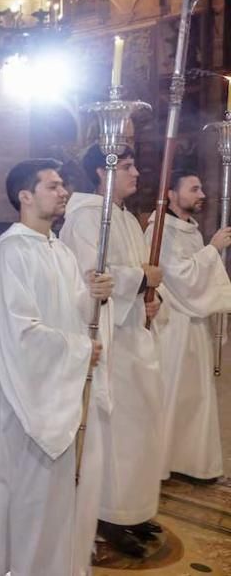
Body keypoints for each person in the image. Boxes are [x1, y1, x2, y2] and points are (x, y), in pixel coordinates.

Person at [0, 158, 113, 576]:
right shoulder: (13, 251)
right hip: (27, 393)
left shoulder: (59, 250)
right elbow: (20, 332)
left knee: (57, 491)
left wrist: (94, 294)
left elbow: (73, 313)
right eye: (52, 186)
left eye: (62, 185)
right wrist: (80, 350)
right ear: (25, 196)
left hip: (60, 387)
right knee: (29, 490)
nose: (63, 191)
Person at [60, 145, 164, 557]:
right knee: (115, 430)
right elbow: (90, 276)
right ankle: (107, 514)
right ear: (102, 174)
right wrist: (141, 281)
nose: (136, 173)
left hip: (134, 336)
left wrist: (153, 297)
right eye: (126, 167)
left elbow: (144, 275)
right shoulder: (87, 217)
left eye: (134, 164)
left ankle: (134, 509)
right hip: (109, 339)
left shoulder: (123, 216)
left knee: (141, 426)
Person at [145, 170, 231, 482]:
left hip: (194, 324)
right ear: (171, 194)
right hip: (173, 326)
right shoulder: (160, 231)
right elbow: (179, 278)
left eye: (201, 188)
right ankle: (163, 462)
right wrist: (213, 249)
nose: (201, 194)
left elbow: (199, 277)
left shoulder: (190, 230)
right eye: (193, 189)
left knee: (194, 395)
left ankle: (193, 462)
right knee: (173, 394)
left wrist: (208, 250)